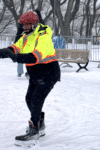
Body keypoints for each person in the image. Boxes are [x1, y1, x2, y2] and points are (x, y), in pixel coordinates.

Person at [0, 10, 61, 146]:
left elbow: (35, 56)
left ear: (34, 23)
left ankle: (34, 131)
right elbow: (15, 48)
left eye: (27, 24)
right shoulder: (26, 36)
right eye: (23, 24)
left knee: (36, 98)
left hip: (48, 73)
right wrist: (4, 52)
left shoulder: (43, 35)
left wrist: (15, 58)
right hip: (35, 74)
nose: (25, 27)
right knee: (29, 99)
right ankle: (40, 124)